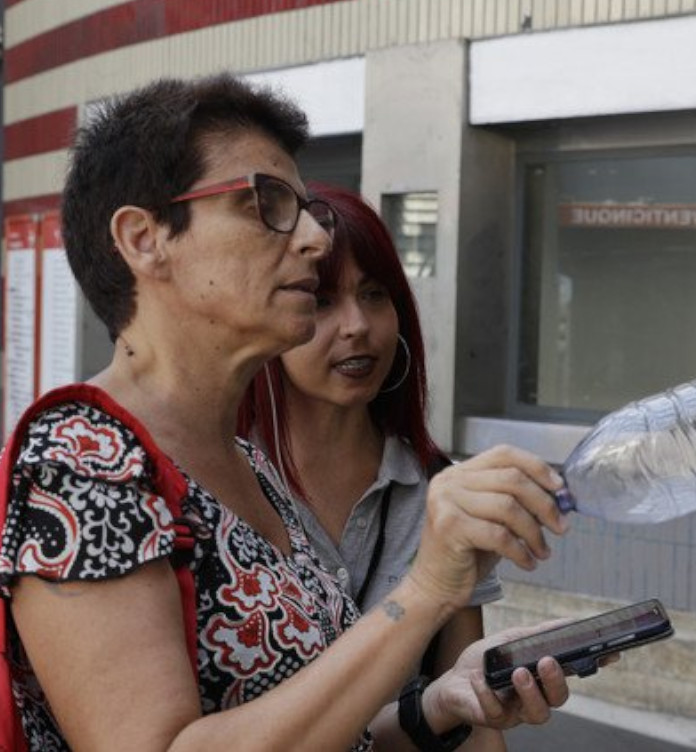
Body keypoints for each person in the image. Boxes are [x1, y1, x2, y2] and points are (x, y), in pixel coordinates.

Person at [0, 74, 579, 751]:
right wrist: (423, 590)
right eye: (266, 203)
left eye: (302, 206)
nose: (310, 237)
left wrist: (444, 703)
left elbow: (329, 737)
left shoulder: (245, 464)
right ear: (144, 239)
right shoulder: (81, 458)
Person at [238, 185, 505, 750]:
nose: (357, 325)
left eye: (375, 293)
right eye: (323, 298)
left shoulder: (438, 490)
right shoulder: (224, 482)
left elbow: (471, 721)